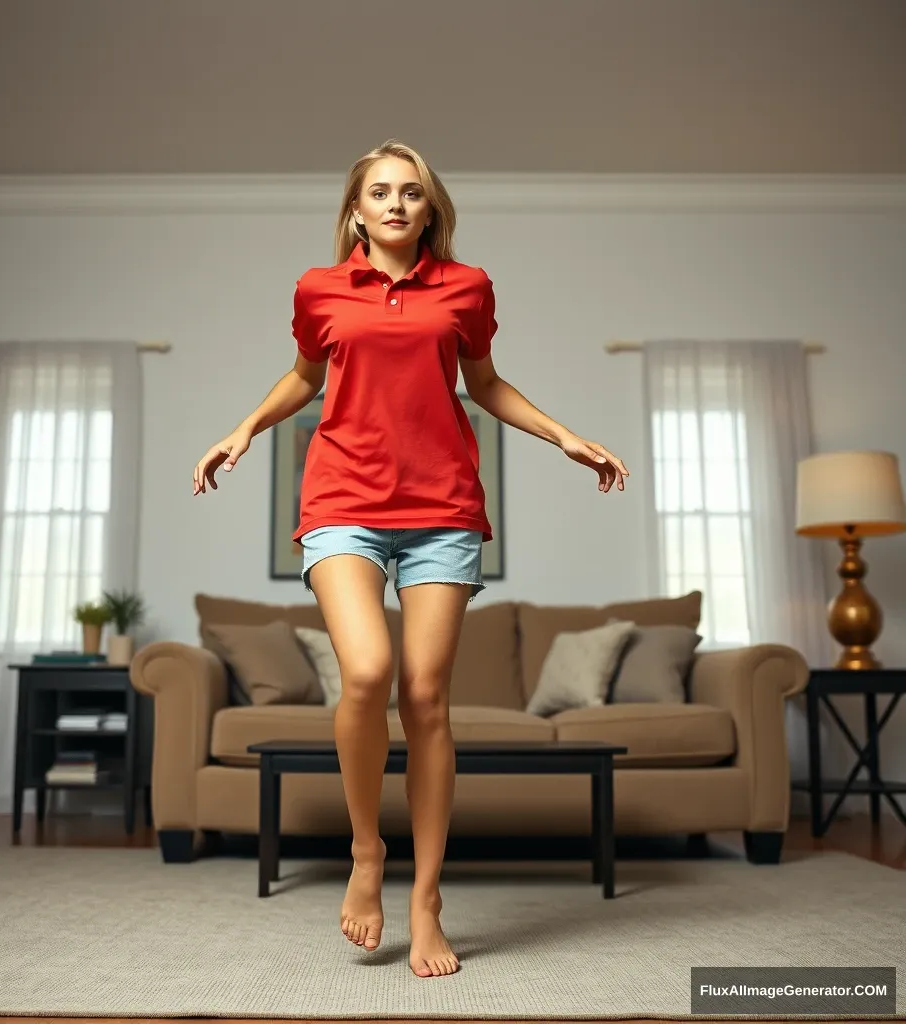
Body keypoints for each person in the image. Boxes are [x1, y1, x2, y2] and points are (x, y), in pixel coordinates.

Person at [193, 139, 628, 978]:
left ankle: (427, 898)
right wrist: (243, 428)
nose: (396, 204)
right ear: (356, 210)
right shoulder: (319, 289)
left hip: (442, 509)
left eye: (412, 193)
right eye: (381, 192)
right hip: (343, 501)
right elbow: (306, 375)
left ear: (431, 211)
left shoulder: (466, 288)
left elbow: (485, 383)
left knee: (426, 697)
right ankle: (367, 852)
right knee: (366, 673)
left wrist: (564, 436)